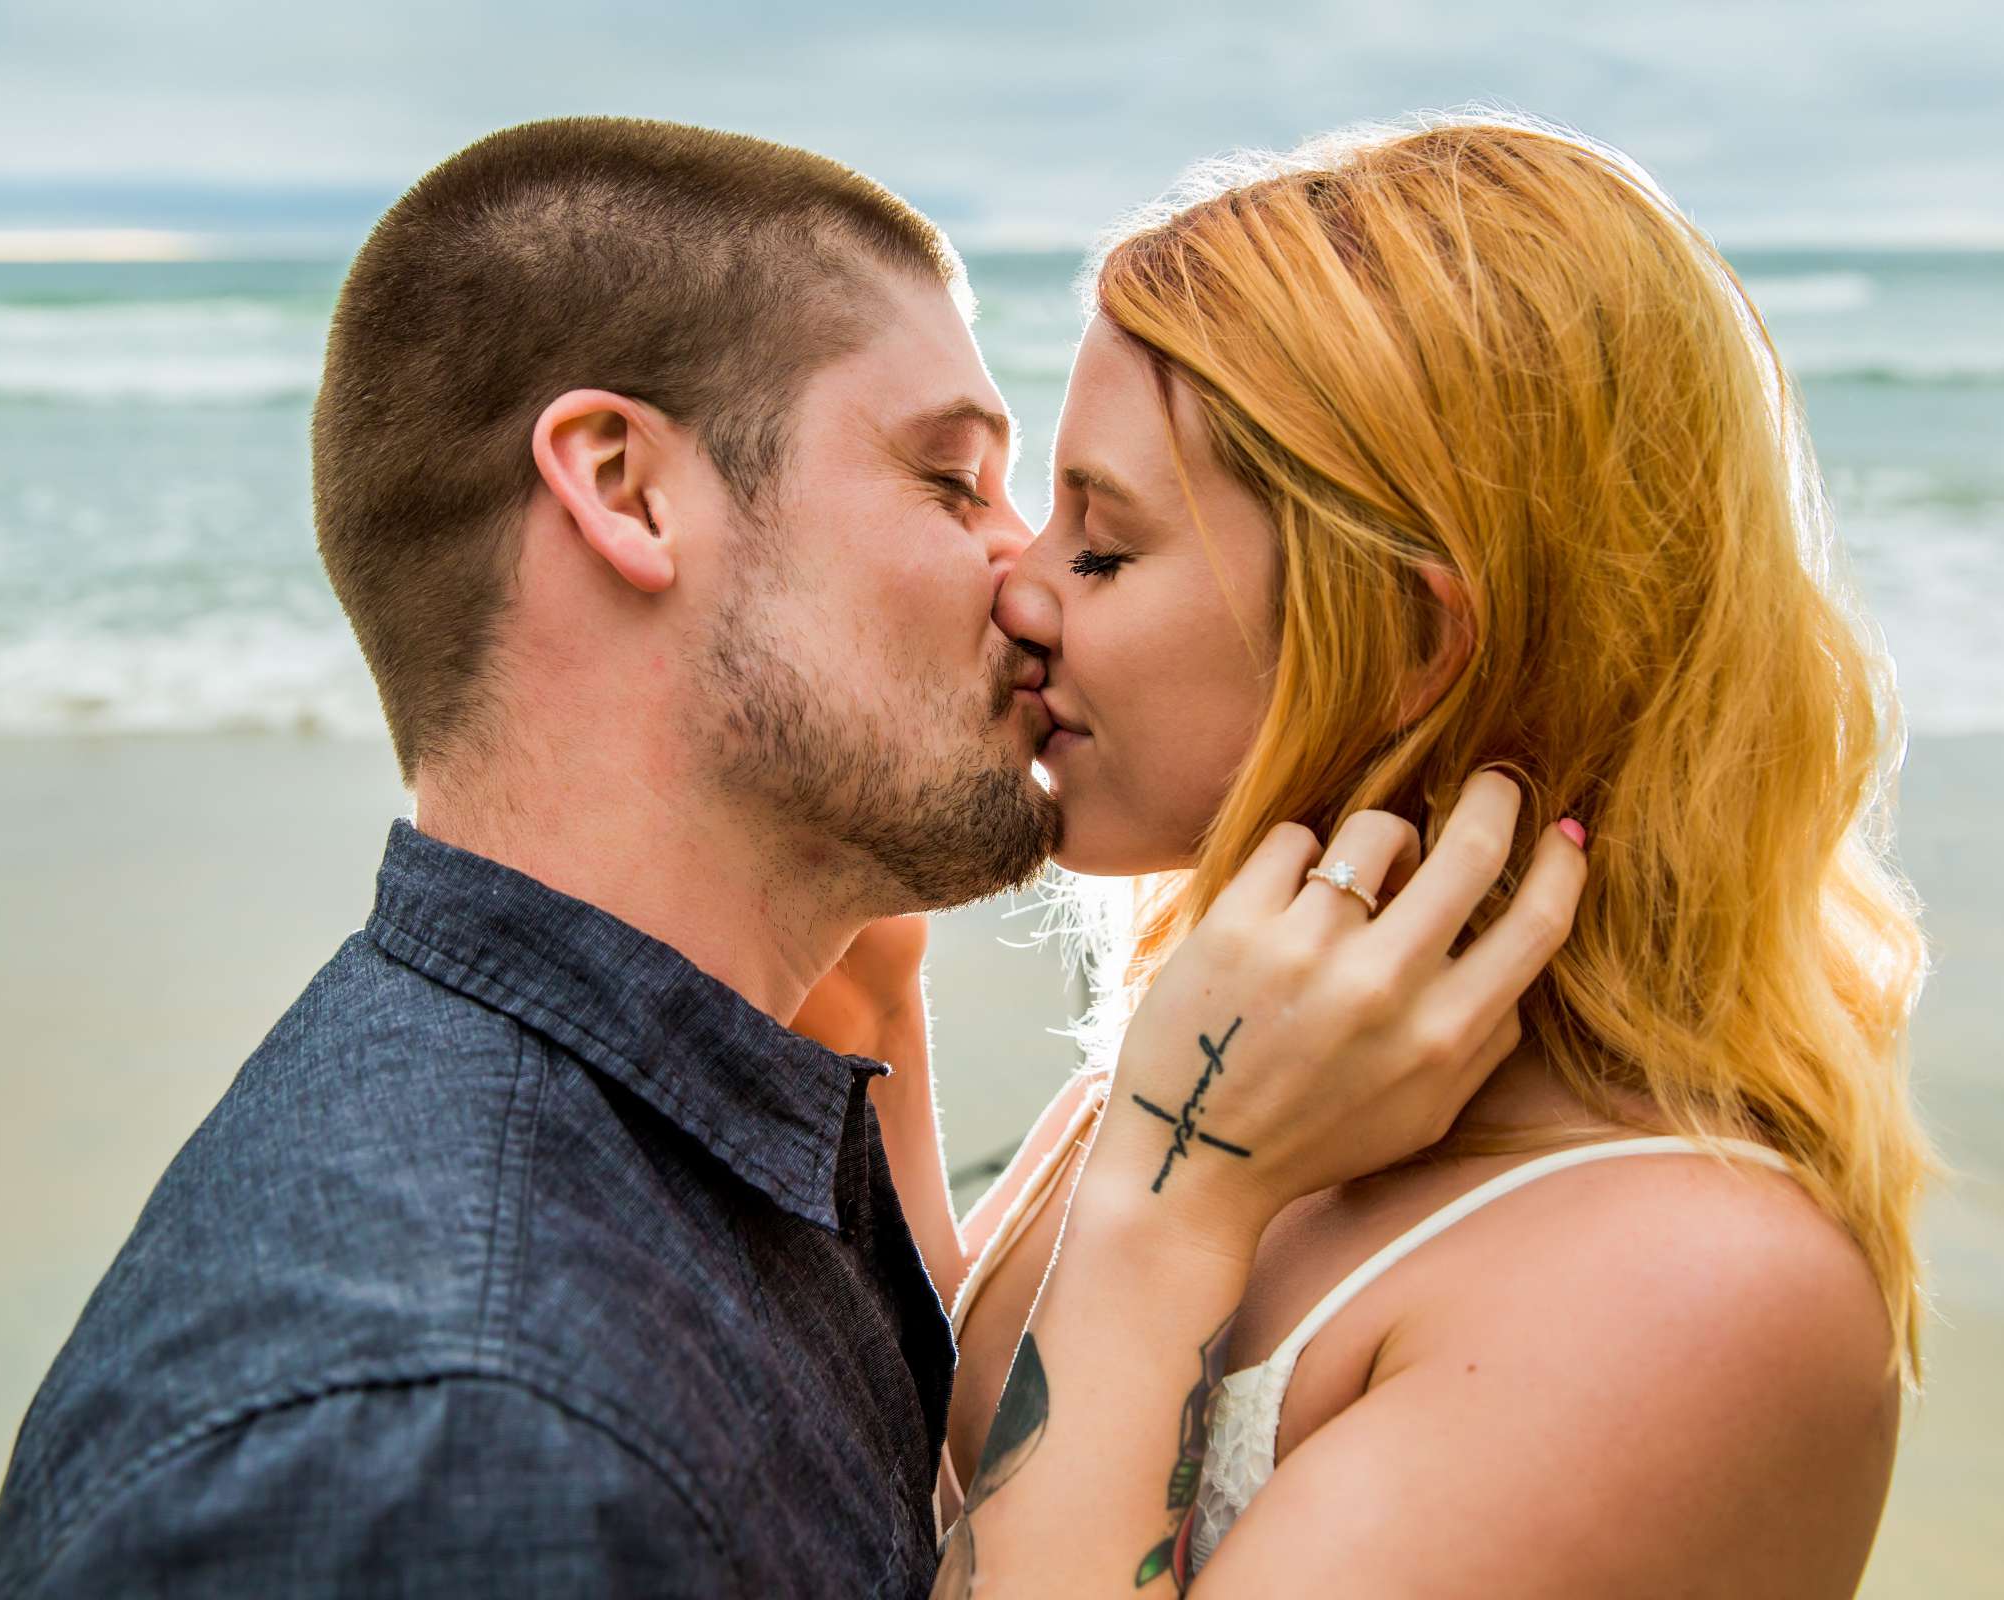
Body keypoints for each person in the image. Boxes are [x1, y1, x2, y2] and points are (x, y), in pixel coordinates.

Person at [0, 116, 1580, 1597]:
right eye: (953, 478)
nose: (1027, 578)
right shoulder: (446, 1445)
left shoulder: (714, 1127)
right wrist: (1168, 1217)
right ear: (625, 491)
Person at [814, 115, 1934, 1596]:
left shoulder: (1694, 1290)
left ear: (1412, 643)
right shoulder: (1245, 1060)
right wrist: (872, 1006)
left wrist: (1171, 1209)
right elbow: (978, 1486)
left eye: (1103, 545)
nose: (1017, 591)